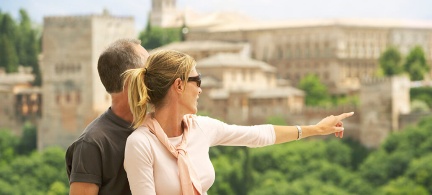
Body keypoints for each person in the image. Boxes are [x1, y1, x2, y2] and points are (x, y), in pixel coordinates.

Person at [123, 49, 354, 195]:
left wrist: (316, 129)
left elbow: (258, 135)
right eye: (198, 80)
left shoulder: (201, 128)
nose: (201, 89)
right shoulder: (141, 144)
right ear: (179, 86)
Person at [65, 39, 149, 195]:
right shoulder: (92, 144)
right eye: (148, 70)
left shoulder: (157, 127)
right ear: (132, 78)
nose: (155, 76)